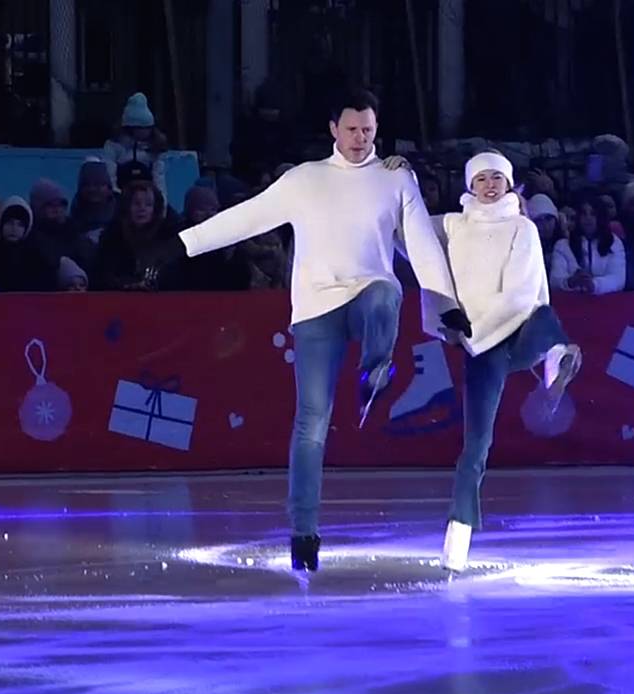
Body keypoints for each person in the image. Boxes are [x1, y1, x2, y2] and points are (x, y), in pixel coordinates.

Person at [151, 89, 471, 572]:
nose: (361, 139)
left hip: (368, 293)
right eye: (352, 129)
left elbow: (421, 244)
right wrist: (185, 242)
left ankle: (375, 371)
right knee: (312, 423)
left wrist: (446, 306)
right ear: (332, 130)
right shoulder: (305, 180)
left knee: (387, 293)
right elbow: (248, 215)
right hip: (316, 309)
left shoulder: (394, 178)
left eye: (368, 130)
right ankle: (304, 532)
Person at [419, 152, 581, 571]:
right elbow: (409, 234)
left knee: (543, 315)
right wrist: (392, 178)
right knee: (476, 444)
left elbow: (523, 294)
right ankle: (457, 541)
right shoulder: (450, 226)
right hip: (480, 347)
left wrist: (473, 329)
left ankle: (554, 359)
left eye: (498, 178)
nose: (490, 185)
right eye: (482, 178)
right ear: (470, 185)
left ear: (509, 184)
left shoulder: (521, 227)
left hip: (516, 334)